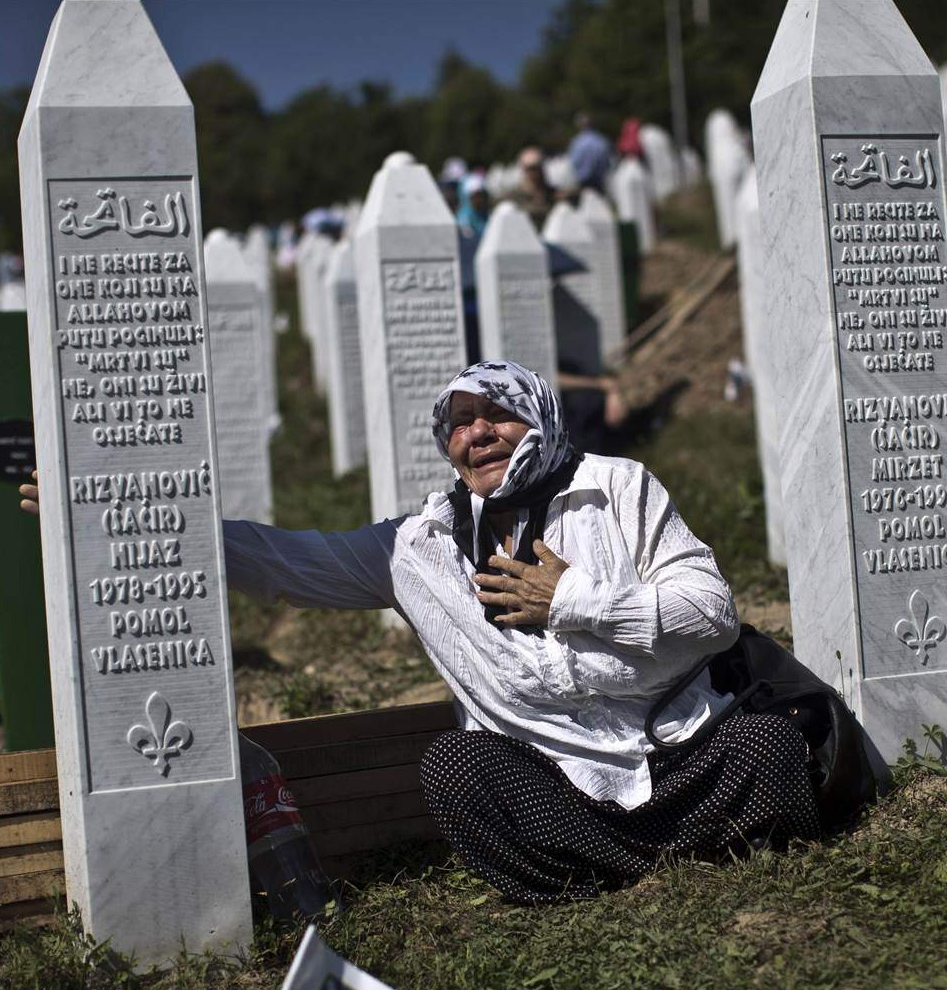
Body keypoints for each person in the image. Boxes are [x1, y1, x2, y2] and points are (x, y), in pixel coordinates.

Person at [19, 361, 819, 903]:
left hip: (674, 749)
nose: (475, 435)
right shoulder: (418, 547)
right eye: (459, 424)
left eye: (495, 415)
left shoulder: (618, 489)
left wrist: (571, 598)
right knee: (455, 770)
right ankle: (651, 865)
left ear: (535, 415)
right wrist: (125, 523)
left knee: (770, 751)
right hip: (553, 779)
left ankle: (642, 860)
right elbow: (284, 560)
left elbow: (712, 612)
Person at [506, 146, 557, 229]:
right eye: (531, 168)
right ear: (523, 169)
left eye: (538, 167)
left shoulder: (553, 193)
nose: (535, 172)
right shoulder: (514, 196)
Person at [568, 112, 613, 194]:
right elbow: (608, 162)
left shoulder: (577, 142)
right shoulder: (602, 140)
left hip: (583, 182)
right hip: (600, 182)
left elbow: (574, 163)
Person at [456, 173, 491, 238]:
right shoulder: (463, 217)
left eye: (481, 196)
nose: (480, 200)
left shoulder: (484, 213)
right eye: (476, 196)